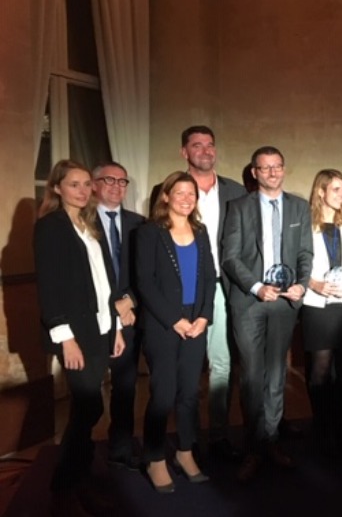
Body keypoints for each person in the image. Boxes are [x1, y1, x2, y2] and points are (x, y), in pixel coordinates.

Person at [150, 125, 247, 461]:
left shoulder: (236, 191)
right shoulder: (167, 190)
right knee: (184, 372)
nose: (205, 151)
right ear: (184, 152)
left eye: (210, 145)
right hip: (181, 292)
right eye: (197, 145)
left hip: (224, 286)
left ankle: (218, 436)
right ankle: (186, 441)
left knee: (222, 364)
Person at [35, 160, 125, 513]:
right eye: (74, 184)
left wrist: (116, 327)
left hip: (101, 327)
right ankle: (64, 483)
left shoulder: (90, 224)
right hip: (75, 333)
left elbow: (106, 283)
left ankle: (81, 471)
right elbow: (49, 287)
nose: (83, 191)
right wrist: (65, 338)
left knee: (87, 406)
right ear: (57, 188)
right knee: (90, 405)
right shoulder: (51, 227)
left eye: (87, 184)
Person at [222, 146, 313, 481]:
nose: (273, 173)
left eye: (277, 166)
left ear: (284, 169)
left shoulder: (299, 207)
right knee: (251, 376)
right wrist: (257, 287)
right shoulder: (238, 207)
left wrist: (302, 284)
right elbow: (230, 257)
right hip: (250, 302)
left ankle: (271, 441)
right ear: (254, 172)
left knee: (276, 375)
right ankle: (253, 447)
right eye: (265, 167)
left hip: (285, 302)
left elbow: (305, 252)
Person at [137, 171, 215, 492]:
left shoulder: (201, 231)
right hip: (163, 324)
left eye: (191, 194)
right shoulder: (149, 232)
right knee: (164, 393)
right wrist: (174, 320)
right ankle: (155, 457)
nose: (186, 199)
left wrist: (204, 317)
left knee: (189, 393)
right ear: (166, 196)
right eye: (179, 193)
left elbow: (209, 278)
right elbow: (145, 282)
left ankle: (185, 452)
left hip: (196, 321)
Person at [301, 169, 342, 454]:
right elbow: (297, 261)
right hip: (318, 305)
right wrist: (313, 283)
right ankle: (323, 427)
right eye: (336, 189)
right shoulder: (305, 222)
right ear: (321, 191)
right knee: (320, 372)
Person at [91, 162, 145, 470]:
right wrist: (111, 306)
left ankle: (121, 447)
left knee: (125, 386)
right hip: (93, 317)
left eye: (122, 181)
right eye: (109, 180)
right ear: (95, 184)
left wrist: (130, 301)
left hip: (130, 317)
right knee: (88, 392)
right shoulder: (80, 222)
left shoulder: (140, 224)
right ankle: (80, 451)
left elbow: (147, 271)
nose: (116, 186)